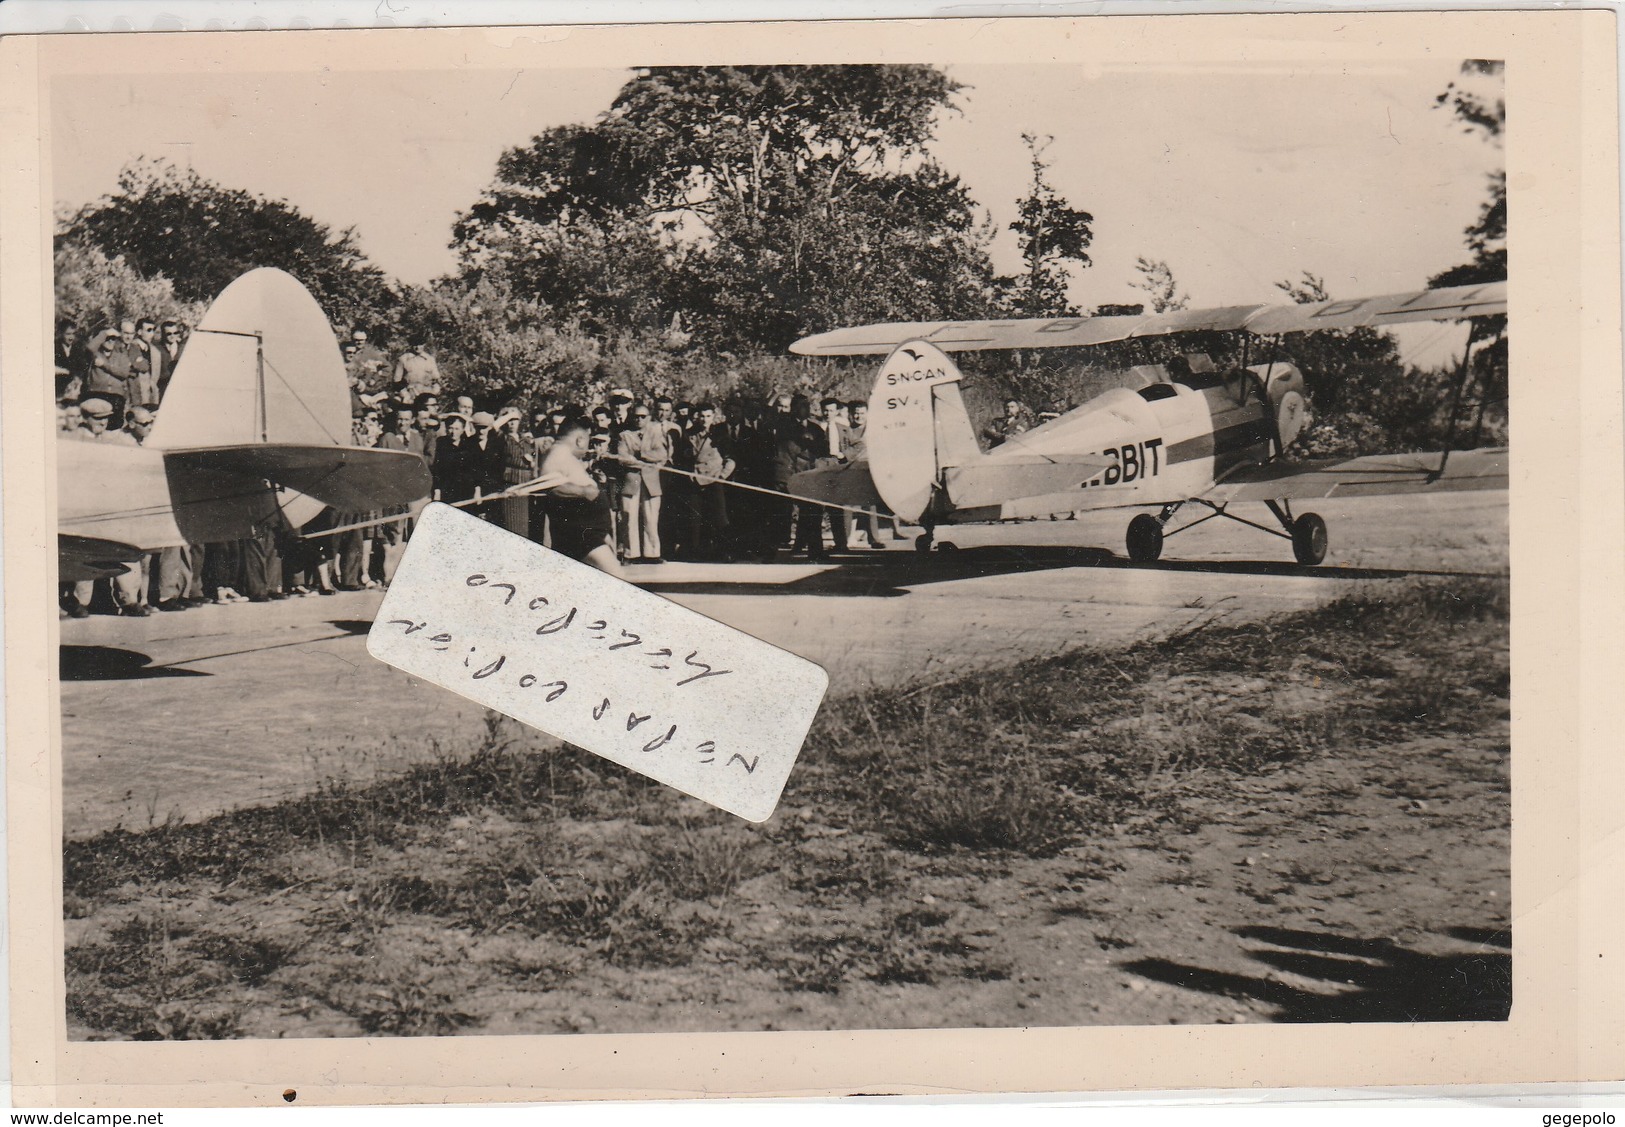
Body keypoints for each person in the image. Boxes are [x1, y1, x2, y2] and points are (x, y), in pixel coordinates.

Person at [536, 417, 621, 576]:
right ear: (580, 440)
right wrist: (584, 491)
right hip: (579, 534)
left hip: (588, 532)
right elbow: (548, 486)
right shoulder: (558, 453)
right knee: (617, 576)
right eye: (588, 441)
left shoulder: (564, 455)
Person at [689, 404, 736, 560]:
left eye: (708, 416)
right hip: (695, 480)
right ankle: (697, 552)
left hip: (713, 480)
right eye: (702, 416)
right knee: (695, 518)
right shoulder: (690, 434)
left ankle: (724, 552)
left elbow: (730, 460)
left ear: (714, 417)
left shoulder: (719, 435)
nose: (704, 420)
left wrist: (721, 477)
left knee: (719, 517)